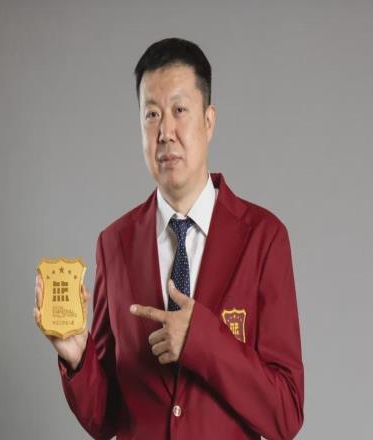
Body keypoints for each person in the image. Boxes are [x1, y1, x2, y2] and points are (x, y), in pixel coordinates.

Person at [34, 37, 304, 440]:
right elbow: (105, 419)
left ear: (208, 121)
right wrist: (78, 358)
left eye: (179, 110)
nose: (165, 132)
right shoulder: (115, 243)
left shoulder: (264, 238)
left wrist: (201, 341)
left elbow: (286, 413)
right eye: (152, 115)